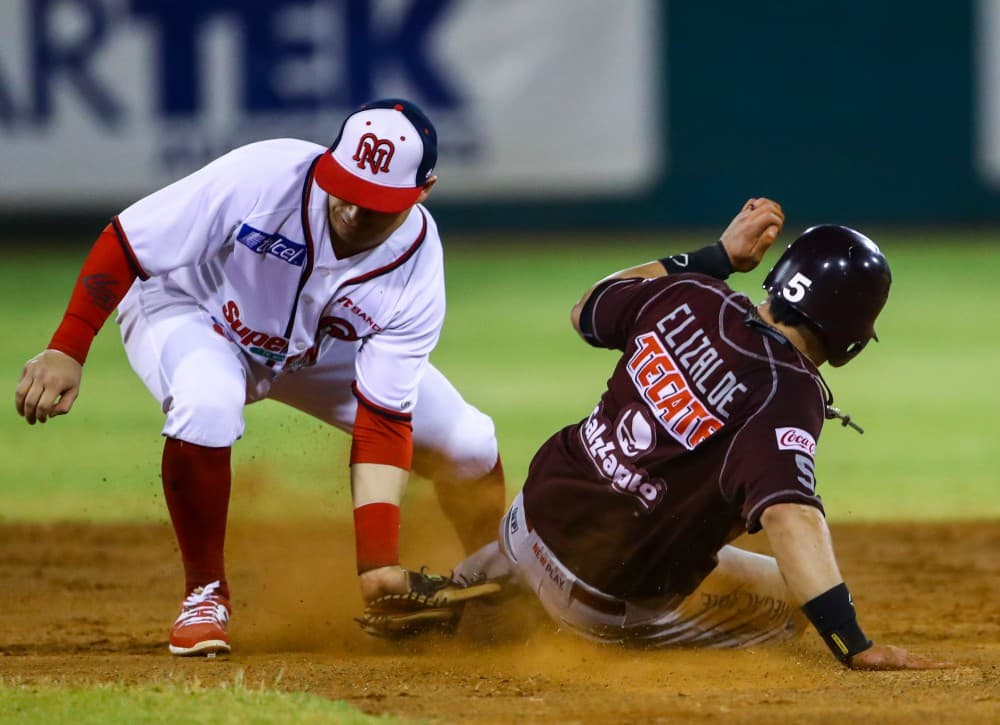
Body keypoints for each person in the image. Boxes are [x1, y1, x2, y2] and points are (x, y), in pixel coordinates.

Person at [13, 99, 507, 657]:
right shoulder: (263, 177)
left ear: (423, 191)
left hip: (312, 350)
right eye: (343, 186)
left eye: (374, 203)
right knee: (208, 403)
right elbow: (128, 241)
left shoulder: (416, 264)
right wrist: (67, 347)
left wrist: (377, 564)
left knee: (468, 441)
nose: (349, 210)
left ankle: (497, 576)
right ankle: (204, 595)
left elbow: (384, 419)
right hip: (193, 310)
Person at [451, 199, 949, 670]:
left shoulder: (692, 291)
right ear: (853, 334)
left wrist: (715, 257)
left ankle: (482, 581)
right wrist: (851, 643)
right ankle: (549, 636)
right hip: (596, 598)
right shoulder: (787, 390)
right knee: (791, 608)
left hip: (526, 522)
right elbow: (788, 513)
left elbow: (588, 307)